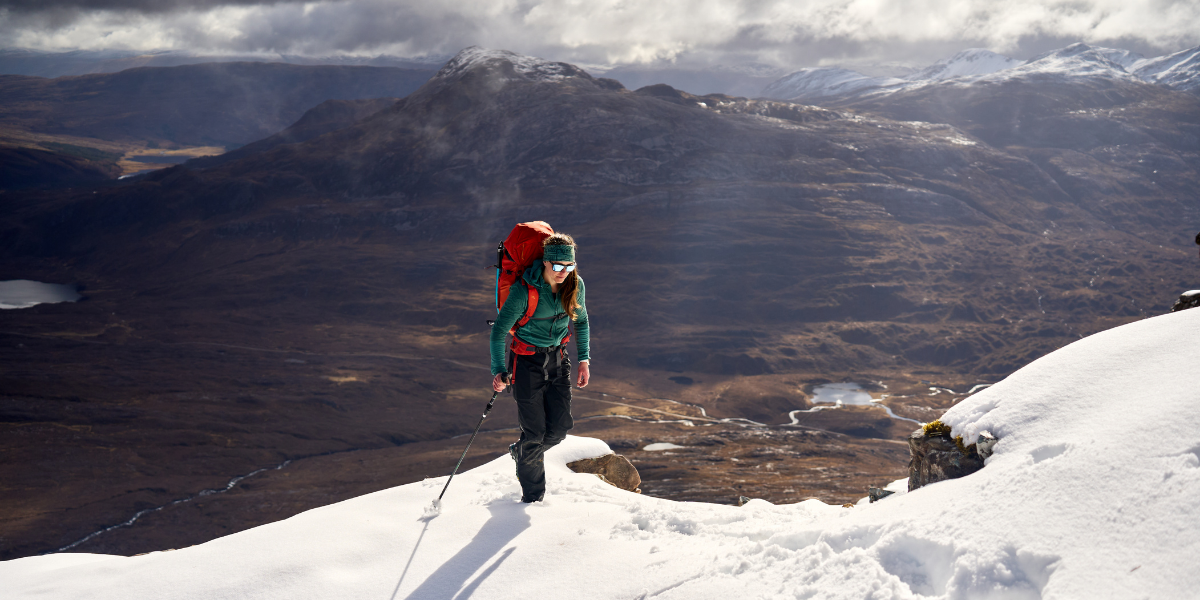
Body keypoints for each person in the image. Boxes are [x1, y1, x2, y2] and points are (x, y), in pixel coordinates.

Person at [490, 232, 590, 503]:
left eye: (569, 266)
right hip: (528, 365)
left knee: (558, 429)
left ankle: (522, 452)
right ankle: (533, 499)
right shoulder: (524, 291)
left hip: (559, 361)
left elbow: (581, 321)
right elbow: (499, 332)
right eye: (557, 266)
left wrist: (584, 360)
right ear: (545, 262)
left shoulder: (575, 285)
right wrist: (499, 370)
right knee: (534, 434)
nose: (563, 272)